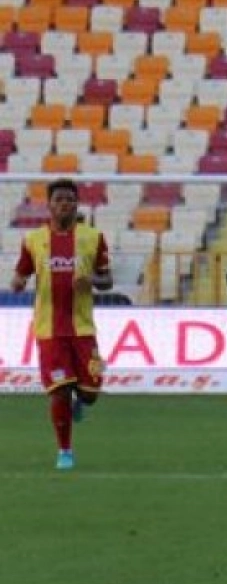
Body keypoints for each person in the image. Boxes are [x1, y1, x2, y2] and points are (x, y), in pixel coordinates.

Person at [10, 179, 114, 471]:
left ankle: (81, 400)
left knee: (91, 393)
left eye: (70, 199)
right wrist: (17, 283)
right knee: (59, 391)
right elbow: (21, 274)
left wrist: (92, 281)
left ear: (77, 204)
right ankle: (65, 451)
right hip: (49, 330)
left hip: (83, 329)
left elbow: (107, 280)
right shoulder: (33, 240)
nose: (65, 204)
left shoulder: (93, 237)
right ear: (49, 205)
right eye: (59, 199)